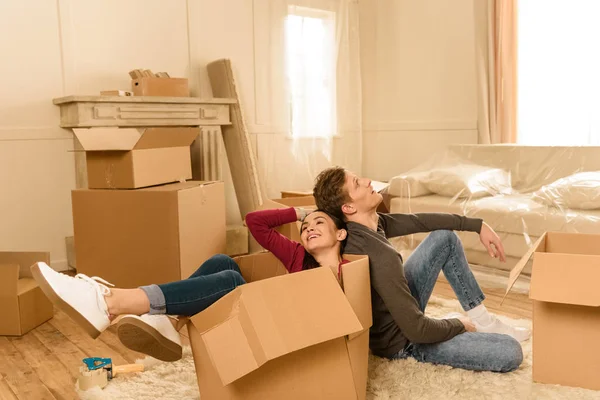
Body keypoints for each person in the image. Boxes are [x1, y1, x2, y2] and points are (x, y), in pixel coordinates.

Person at [31, 207, 347, 362]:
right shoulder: (295, 255)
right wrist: (299, 211)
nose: (309, 227)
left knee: (231, 281)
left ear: (341, 235)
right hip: (268, 318)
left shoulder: (349, 270)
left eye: (320, 223)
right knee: (224, 261)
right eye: (305, 226)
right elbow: (255, 221)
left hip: (293, 332)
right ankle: (168, 319)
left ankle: (110, 301)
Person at [312, 166, 528, 373]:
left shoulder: (367, 226)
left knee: (445, 237)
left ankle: (482, 319)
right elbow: (416, 330)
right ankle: (470, 323)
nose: (368, 181)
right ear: (348, 208)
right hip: (403, 342)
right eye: (357, 183)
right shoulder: (378, 254)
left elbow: (420, 220)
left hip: (400, 316)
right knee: (510, 351)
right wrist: (458, 324)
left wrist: (476, 225)